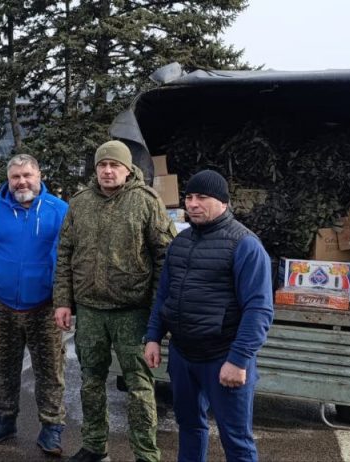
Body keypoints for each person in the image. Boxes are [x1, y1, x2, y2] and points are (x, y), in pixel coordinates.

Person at [54, 141, 175, 462]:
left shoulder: (146, 201)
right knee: (90, 382)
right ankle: (94, 446)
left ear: (127, 169)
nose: (108, 171)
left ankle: (146, 453)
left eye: (114, 165)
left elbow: (165, 257)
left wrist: (157, 312)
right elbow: (65, 253)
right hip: (90, 311)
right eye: (102, 165)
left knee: (139, 386)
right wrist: (63, 301)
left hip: (132, 312)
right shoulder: (80, 203)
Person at [142, 169, 274, 462]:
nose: (192, 204)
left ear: (223, 201)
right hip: (183, 356)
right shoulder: (180, 243)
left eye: (202, 197)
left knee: (236, 440)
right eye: (189, 197)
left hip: (222, 357)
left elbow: (259, 309)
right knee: (189, 426)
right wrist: (153, 337)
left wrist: (238, 360)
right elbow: (164, 295)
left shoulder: (245, 245)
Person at [0, 154, 69, 456]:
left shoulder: (59, 210)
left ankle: (51, 427)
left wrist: (66, 300)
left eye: (27, 175)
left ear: (39, 175)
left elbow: (70, 257)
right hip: (3, 307)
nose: (21, 182)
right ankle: (5, 420)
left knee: (50, 371)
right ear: (9, 180)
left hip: (45, 306)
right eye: (15, 177)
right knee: (3, 368)